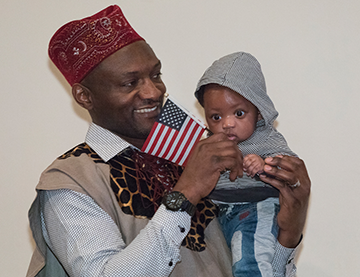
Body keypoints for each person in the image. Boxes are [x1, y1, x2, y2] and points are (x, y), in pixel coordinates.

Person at [27, 5, 310, 277]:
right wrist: (186, 193)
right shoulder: (70, 182)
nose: (153, 91)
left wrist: (290, 229)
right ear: (84, 96)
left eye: (155, 75)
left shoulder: (186, 154)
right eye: (130, 83)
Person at [194, 52, 299, 277]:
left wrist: (265, 164)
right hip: (221, 212)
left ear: (258, 112)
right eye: (216, 117)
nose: (228, 124)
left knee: (251, 261)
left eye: (239, 113)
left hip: (256, 208)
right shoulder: (210, 144)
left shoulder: (266, 138)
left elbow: (292, 169)